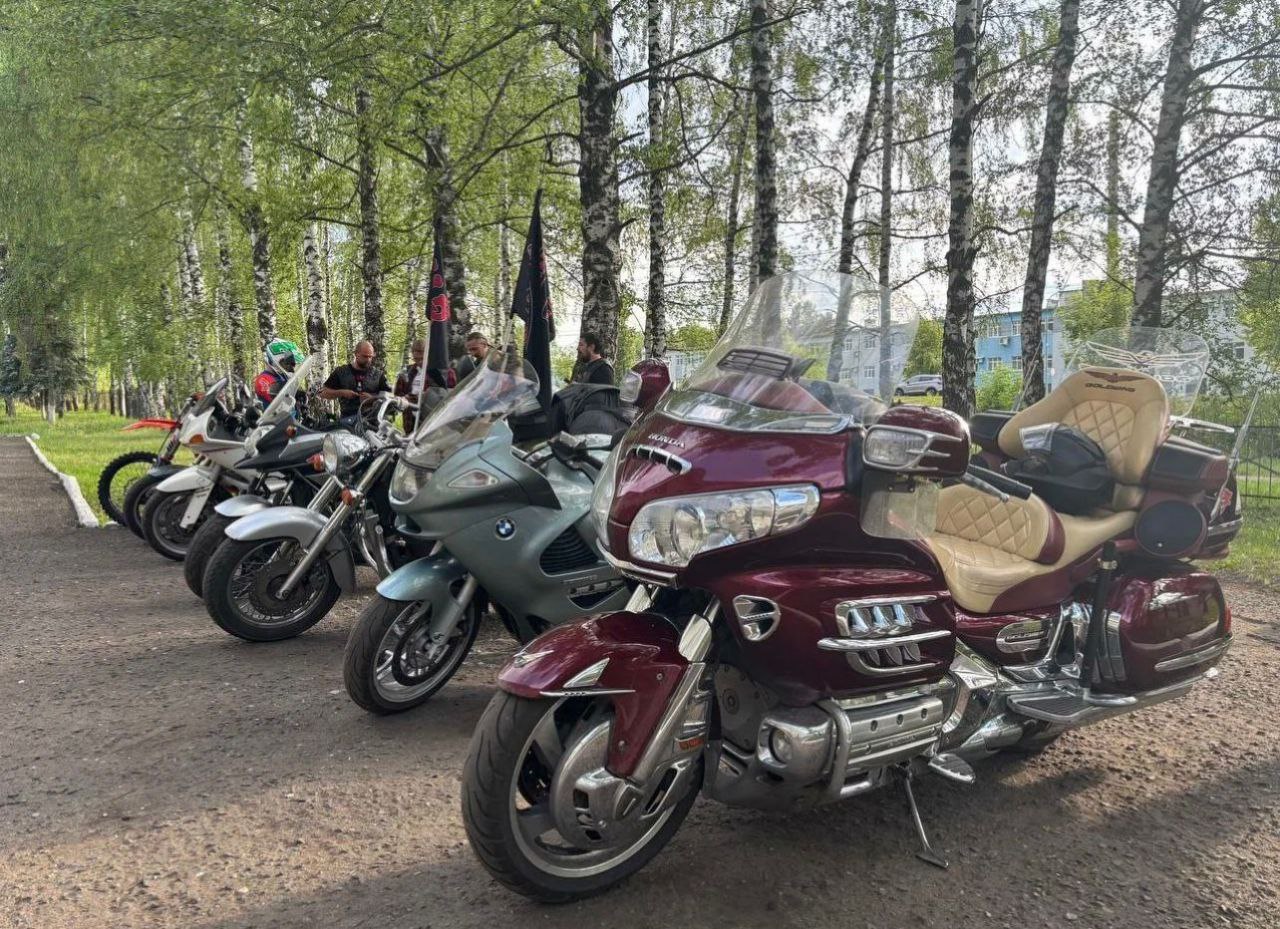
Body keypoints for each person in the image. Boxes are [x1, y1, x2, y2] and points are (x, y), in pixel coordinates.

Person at [320, 340, 391, 419]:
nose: (368, 360)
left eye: (370, 357)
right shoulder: (341, 372)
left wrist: (372, 399)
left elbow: (390, 398)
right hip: (347, 420)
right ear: (356, 354)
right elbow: (323, 393)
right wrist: (341, 392)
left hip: (372, 420)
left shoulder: (378, 375)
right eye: (365, 356)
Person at [254, 339, 303, 408]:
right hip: (272, 414)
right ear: (277, 360)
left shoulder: (282, 376)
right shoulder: (262, 379)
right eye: (288, 363)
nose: (291, 368)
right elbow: (275, 394)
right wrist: (295, 394)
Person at [395, 339, 428, 432]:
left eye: (422, 358)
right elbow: (397, 394)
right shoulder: (407, 371)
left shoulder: (435, 372)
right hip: (409, 419)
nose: (419, 361)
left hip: (428, 418)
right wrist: (403, 398)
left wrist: (416, 398)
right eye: (416, 359)